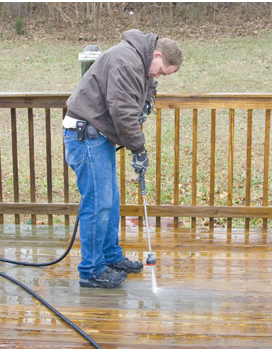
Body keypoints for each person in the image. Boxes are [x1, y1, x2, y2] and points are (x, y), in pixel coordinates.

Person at [63, 29, 183, 288]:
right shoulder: (127, 61)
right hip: (85, 136)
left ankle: (109, 257)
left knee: (110, 201)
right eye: (162, 70)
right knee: (98, 204)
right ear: (158, 54)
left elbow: (147, 88)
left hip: (98, 136)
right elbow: (122, 112)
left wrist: (148, 102)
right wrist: (139, 150)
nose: (158, 75)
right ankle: (91, 270)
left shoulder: (141, 60)